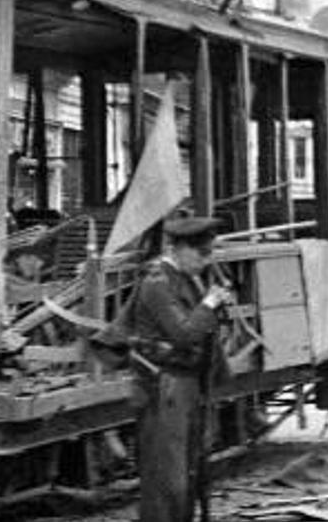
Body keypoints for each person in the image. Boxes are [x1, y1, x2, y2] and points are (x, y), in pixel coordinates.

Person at [130, 215, 233, 522]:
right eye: (201, 253)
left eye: (209, 252)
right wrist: (210, 304)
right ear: (179, 249)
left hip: (186, 384)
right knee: (167, 476)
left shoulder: (187, 278)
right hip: (165, 387)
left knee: (189, 472)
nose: (206, 260)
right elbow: (183, 334)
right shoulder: (156, 283)